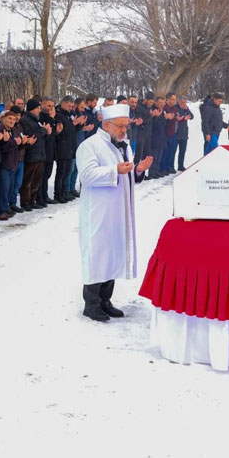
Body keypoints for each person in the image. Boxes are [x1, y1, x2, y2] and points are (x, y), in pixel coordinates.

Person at [75, 104, 152, 322]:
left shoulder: (123, 145)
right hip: (98, 211)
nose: (124, 130)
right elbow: (87, 175)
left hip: (119, 209)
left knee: (113, 251)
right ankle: (91, 304)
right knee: (98, 253)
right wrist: (114, 171)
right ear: (106, 125)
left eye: (126, 126)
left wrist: (138, 170)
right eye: (120, 126)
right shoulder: (90, 146)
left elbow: (127, 173)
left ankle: (105, 300)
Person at [19, 99, 48, 210]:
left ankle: (32, 200)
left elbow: (39, 135)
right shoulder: (25, 120)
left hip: (39, 153)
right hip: (31, 154)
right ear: (32, 109)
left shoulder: (37, 120)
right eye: (37, 108)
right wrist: (43, 131)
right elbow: (32, 136)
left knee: (36, 180)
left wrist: (46, 132)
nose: (39, 111)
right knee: (28, 180)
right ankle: (25, 201)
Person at [54, 96, 77, 202]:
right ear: (63, 103)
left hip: (69, 146)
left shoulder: (69, 115)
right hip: (62, 147)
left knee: (67, 172)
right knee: (61, 172)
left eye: (72, 106)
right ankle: (58, 194)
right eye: (69, 106)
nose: (70, 108)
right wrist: (73, 124)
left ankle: (64, 192)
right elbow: (62, 131)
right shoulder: (58, 114)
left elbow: (72, 131)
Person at [38, 99, 57, 205]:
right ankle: (40, 197)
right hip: (43, 150)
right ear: (42, 104)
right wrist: (51, 118)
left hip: (50, 150)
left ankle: (45, 195)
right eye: (49, 105)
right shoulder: (42, 117)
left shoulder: (52, 117)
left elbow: (52, 134)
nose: (50, 108)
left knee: (47, 175)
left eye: (52, 106)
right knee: (42, 176)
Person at [148, 95, 167, 179]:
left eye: (163, 103)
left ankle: (156, 170)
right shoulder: (153, 110)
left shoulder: (163, 111)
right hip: (154, 135)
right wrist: (158, 116)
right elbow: (153, 124)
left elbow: (163, 123)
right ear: (156, 102)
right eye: (160, 103)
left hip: (161, 135)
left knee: (159, 155)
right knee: (154, 155)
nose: (161, 104)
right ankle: (152, 171)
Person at [174, 97, 195, 171]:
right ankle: (170, 167)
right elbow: (177, 117)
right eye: (182, 102)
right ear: (178, 102)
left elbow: (192, 116)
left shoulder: (185, 108)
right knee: (173, 151)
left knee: (182, 151)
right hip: (176, 133)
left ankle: (180, 165)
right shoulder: (175, 108)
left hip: (184, 133)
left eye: (185, 102)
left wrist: (187, 109)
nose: (184, 104)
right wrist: (183, 118)